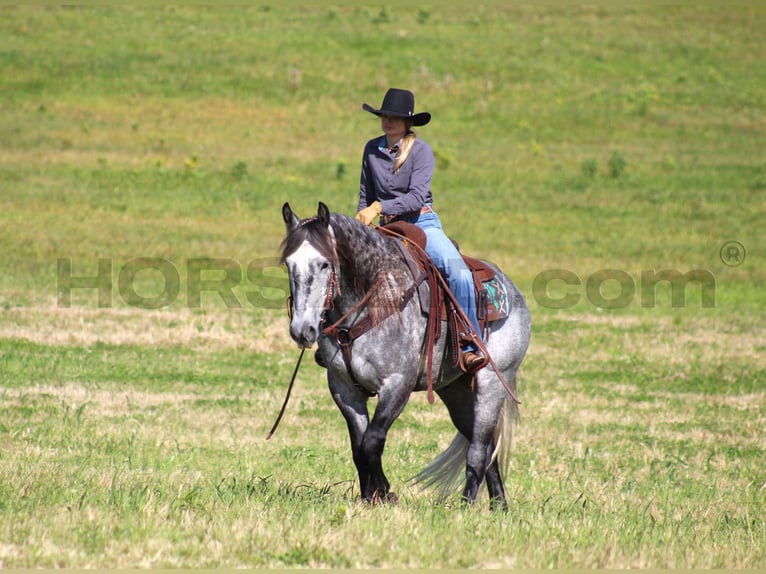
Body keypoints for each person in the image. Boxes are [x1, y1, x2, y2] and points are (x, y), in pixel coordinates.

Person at [355, 88, 484, 371]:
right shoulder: (371, 149)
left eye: (395, 117)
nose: (388, 121)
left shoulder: (421, 151)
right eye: (384, 115)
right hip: (387, 228)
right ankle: (342, 338)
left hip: (421, 223)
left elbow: (416, 196)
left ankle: (470, 342)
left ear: (407, 122)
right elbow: (365, 193)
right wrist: (363, 221)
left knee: (459, 273)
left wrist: (379, 207)